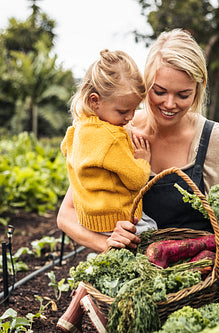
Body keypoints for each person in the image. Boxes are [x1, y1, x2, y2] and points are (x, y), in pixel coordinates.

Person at [57, 29, 219, 332]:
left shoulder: (215, 140)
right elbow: (67, 214)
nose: (169, 103)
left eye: (183, 94)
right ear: (146, 84)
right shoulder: (118, 131)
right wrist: (107, 244)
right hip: (138, 291)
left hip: (196, 290)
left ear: (199, 90)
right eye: (159, 91)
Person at [60, 49, 156, 236]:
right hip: (120, 219)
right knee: (154, 235)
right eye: (122, 111)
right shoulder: (113, 138)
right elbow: (136, 180)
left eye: (134, 109)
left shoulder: (77, 128)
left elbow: (67, 149)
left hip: (90, 219)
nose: (130, 117)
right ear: (95, 101)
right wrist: (143, 160)